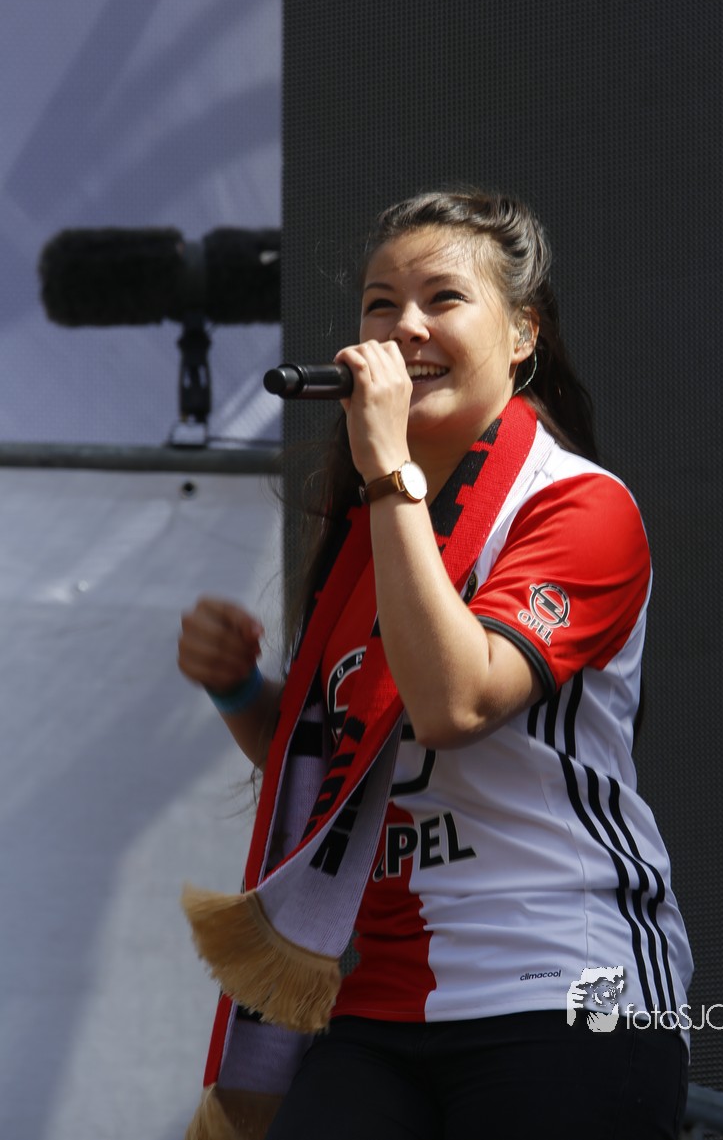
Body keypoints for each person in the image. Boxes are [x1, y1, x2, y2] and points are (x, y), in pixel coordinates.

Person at [177, 188, 693, 1140]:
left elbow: (453, 704)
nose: (403, 327)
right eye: (379, 305)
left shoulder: (577, 506)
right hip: (382, 998)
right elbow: (348, 760)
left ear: (523, 333)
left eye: (442, 298)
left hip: (561, 980)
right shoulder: (375, 533)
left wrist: (386, 473)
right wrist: (240, 688)